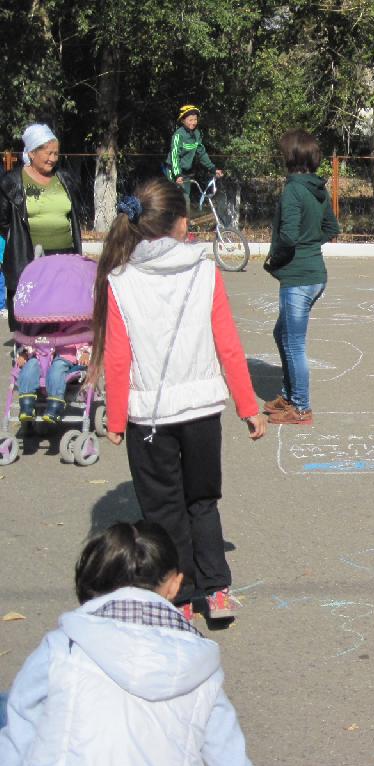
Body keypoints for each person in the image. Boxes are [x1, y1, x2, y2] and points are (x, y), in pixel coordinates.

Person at [91, 177, 266, 623]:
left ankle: (181, 597)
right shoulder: (204, 271)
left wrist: (115, 419)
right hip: (202, 411)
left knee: (163, 512)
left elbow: (117, 358)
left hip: (149, 417)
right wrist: (248, 406)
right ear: (182, 223)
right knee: (202, 502)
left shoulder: (120, 280)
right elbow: (228, 344)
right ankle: (218, 591)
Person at [0, 521, 252, 766]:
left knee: (8, 705)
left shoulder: (63, 646)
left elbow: (17, 738)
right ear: (175, 584)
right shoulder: (200, 665)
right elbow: (229, 757)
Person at [261, 130, 340, 425]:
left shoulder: (294, 190)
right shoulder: (316, 188)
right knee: (281, 334)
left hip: (299, 278)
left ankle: (302, 408)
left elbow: (289, 236)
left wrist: (278, 257)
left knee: (294, 343)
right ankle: (289, 395)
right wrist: (310, 243)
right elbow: (332, 229)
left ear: (291, 156)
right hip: (313, 274)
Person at [0, 123, 84, 331]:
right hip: (29, 257)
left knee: (62, 314)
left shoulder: (64, 178)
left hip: (64, 257)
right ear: (32, 152)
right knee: (33, 315)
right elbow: (3, 220)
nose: (53, 158)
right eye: (48, 153)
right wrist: (19, 238)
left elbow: (74, 212)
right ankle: (28, 347)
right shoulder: (12, 181)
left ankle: (61, 348)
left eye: (56, 153)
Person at [16, 332, 90, 423]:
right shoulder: (41, 327)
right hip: (40, 354)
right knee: (30, 366)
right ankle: (26, 404)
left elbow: (82, 340)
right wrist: (24, 354)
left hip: (64, 355)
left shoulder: (74, 328)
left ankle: (55, 406)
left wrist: (85, 353)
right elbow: (29, 342)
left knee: (57, 369)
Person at [165, 104, 222, 187]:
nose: (193, 122)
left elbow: (202, 154)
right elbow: (175, 155)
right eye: (190, 120)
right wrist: (177, 174)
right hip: (174, 171)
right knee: (174, 194)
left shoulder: (197, 134)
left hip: (186, 172)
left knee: (186, 195)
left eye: (195, 119)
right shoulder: (178, 135)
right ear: (183, 120)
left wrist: (213, 169)